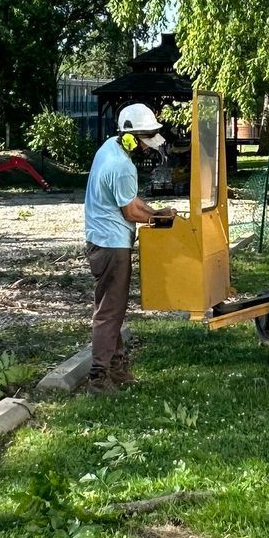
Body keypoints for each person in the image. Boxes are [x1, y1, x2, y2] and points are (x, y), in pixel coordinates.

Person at [83, 103, 175, 393]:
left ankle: (117, 367)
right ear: (130, 137)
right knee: (109, 313)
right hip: (112, 246)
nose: (148, 147)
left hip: (103, 241)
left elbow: (133, 203)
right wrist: (156, 218)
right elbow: (131, 213)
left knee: (113, 309)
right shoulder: (121, 166)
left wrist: (156, 213)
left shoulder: (110, 147)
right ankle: (99, 377)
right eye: (145, 139)